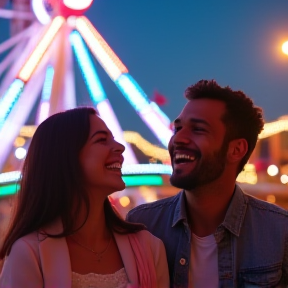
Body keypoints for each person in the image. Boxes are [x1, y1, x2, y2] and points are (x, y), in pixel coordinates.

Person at [127, 80, 288, 287]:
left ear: (236, 150)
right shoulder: (142, 224)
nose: (177, 139)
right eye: (178, 129)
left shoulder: (280, 231)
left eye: (198, 130)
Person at [0, 107, 169, 288]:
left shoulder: (149, 247)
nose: (120, 147)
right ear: (66, 156)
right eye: (102, 140)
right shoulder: (29, 253)